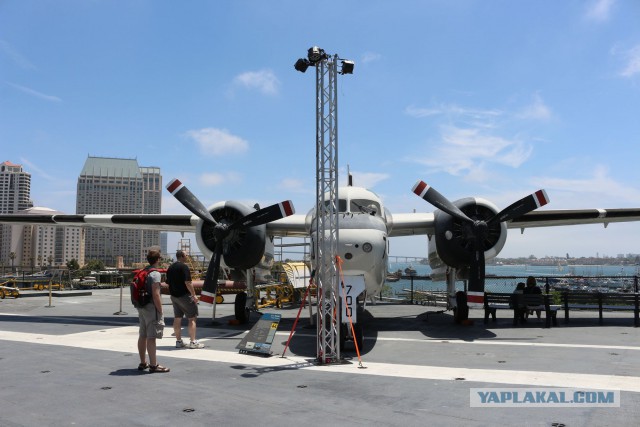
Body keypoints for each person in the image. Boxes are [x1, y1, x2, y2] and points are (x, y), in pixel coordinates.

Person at [137, 248, 169, 373]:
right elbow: (156, 295)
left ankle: (142, 362)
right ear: (158, 259)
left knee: (142, 335)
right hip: (151, 308)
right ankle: (154, 365)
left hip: (142, 306)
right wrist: (160, 310)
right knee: (152, 337)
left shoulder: (144, 271)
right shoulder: (155, 274)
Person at [166, 250, 204, 349]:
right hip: (184, 296)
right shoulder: (184, 267)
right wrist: (194, 295)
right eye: (186, 255)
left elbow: (168, 282)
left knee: (177, 318)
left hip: (174, 296)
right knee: (192, 318)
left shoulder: (170, 267)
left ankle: (178, 341)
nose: (187, 256)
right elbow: (188, 282)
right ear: (182, 256)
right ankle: (193, 342)